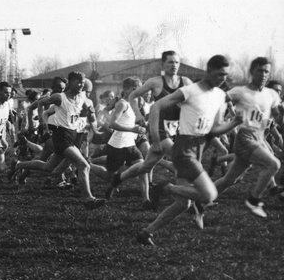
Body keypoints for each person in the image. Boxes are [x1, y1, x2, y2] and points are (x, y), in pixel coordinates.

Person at [137, 55, 240, 245]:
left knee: (183, 203)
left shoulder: (219, 95)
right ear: (208, 71)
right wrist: (157, 137)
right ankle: (165, 188)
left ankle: (146, 233)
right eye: (218, 74)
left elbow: (214, 129)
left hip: (199, 148)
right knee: (209, 195)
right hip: (184, 148)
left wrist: (235, 122)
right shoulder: (190, 90)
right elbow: (157, 106)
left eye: (225, 75)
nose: (222, 79)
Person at [16, 71, 106, 208]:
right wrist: (42, 122)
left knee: (48, 167)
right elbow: (40, 104)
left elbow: (92, 117)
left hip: (72, 136)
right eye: (78, 82)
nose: (81, 85)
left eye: (83, 82)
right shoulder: (60, 97)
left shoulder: (82, 99)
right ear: (70, 82)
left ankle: (18, 165)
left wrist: (95, 128)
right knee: (84, 165)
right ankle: (89, 199)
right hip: (61, 137)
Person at [109, 51, 193, 193]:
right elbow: (133, 96)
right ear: (163, 64)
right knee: (181, 161)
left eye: (177, 62)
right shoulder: (155, 82)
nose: (174, 65)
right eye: (170, 62)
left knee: (146, 166)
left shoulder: (186, 82)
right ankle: (191, 198)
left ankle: (118, 178)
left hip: (177, 128)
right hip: (159, 128)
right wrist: (137, 114)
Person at [212, 57, 282, 218]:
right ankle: (253, 199)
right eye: (260, 70)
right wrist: (219, 119)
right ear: (252, 72)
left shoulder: (271, 94)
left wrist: (280, 115)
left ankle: (201, 198)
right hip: (245, 137)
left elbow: (276, 118)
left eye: (266, 71)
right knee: (273, 164)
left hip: (259, 137)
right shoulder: (240, 91)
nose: (263, 74)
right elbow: (218, 101)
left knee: (228, 180)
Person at [102, 77, 151, 207]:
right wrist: (132, 129)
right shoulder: (122, 104)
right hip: (116, 145)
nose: (141, 92)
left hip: (131, 145)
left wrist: (140, 126)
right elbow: (112, 123)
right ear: (131, 89)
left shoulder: (135, 103)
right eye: (138, 89)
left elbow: (129, 121)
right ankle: (90, 166)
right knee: (109, 175)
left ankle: (146, 200)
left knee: (142, 168)